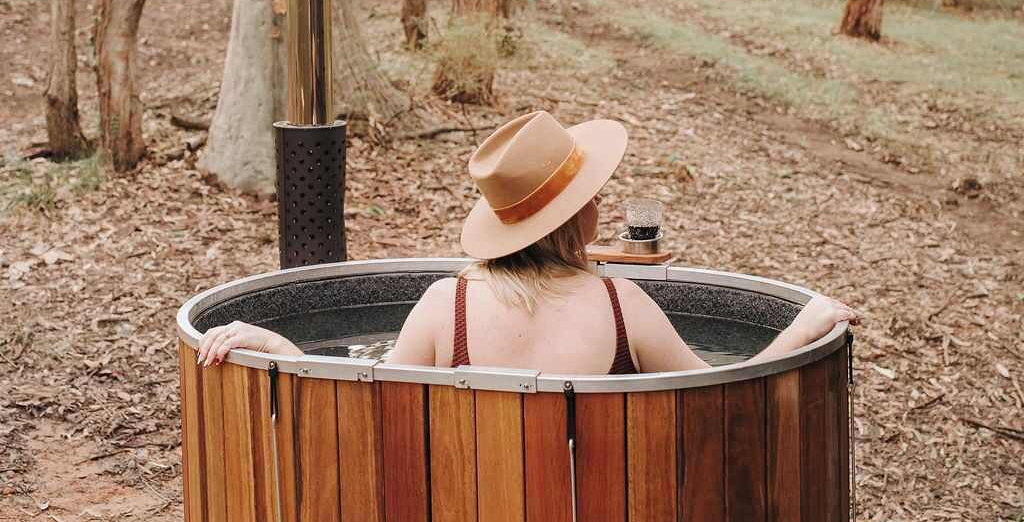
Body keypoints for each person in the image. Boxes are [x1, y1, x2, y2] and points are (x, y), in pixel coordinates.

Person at [197, 110, 857, 374]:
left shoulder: (443, 306)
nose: (599, 202)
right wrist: (805, 326)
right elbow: (727, 393)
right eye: (592, 194)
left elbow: (362, 402)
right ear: (579, 219)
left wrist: (281, 350)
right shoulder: (621, 307)